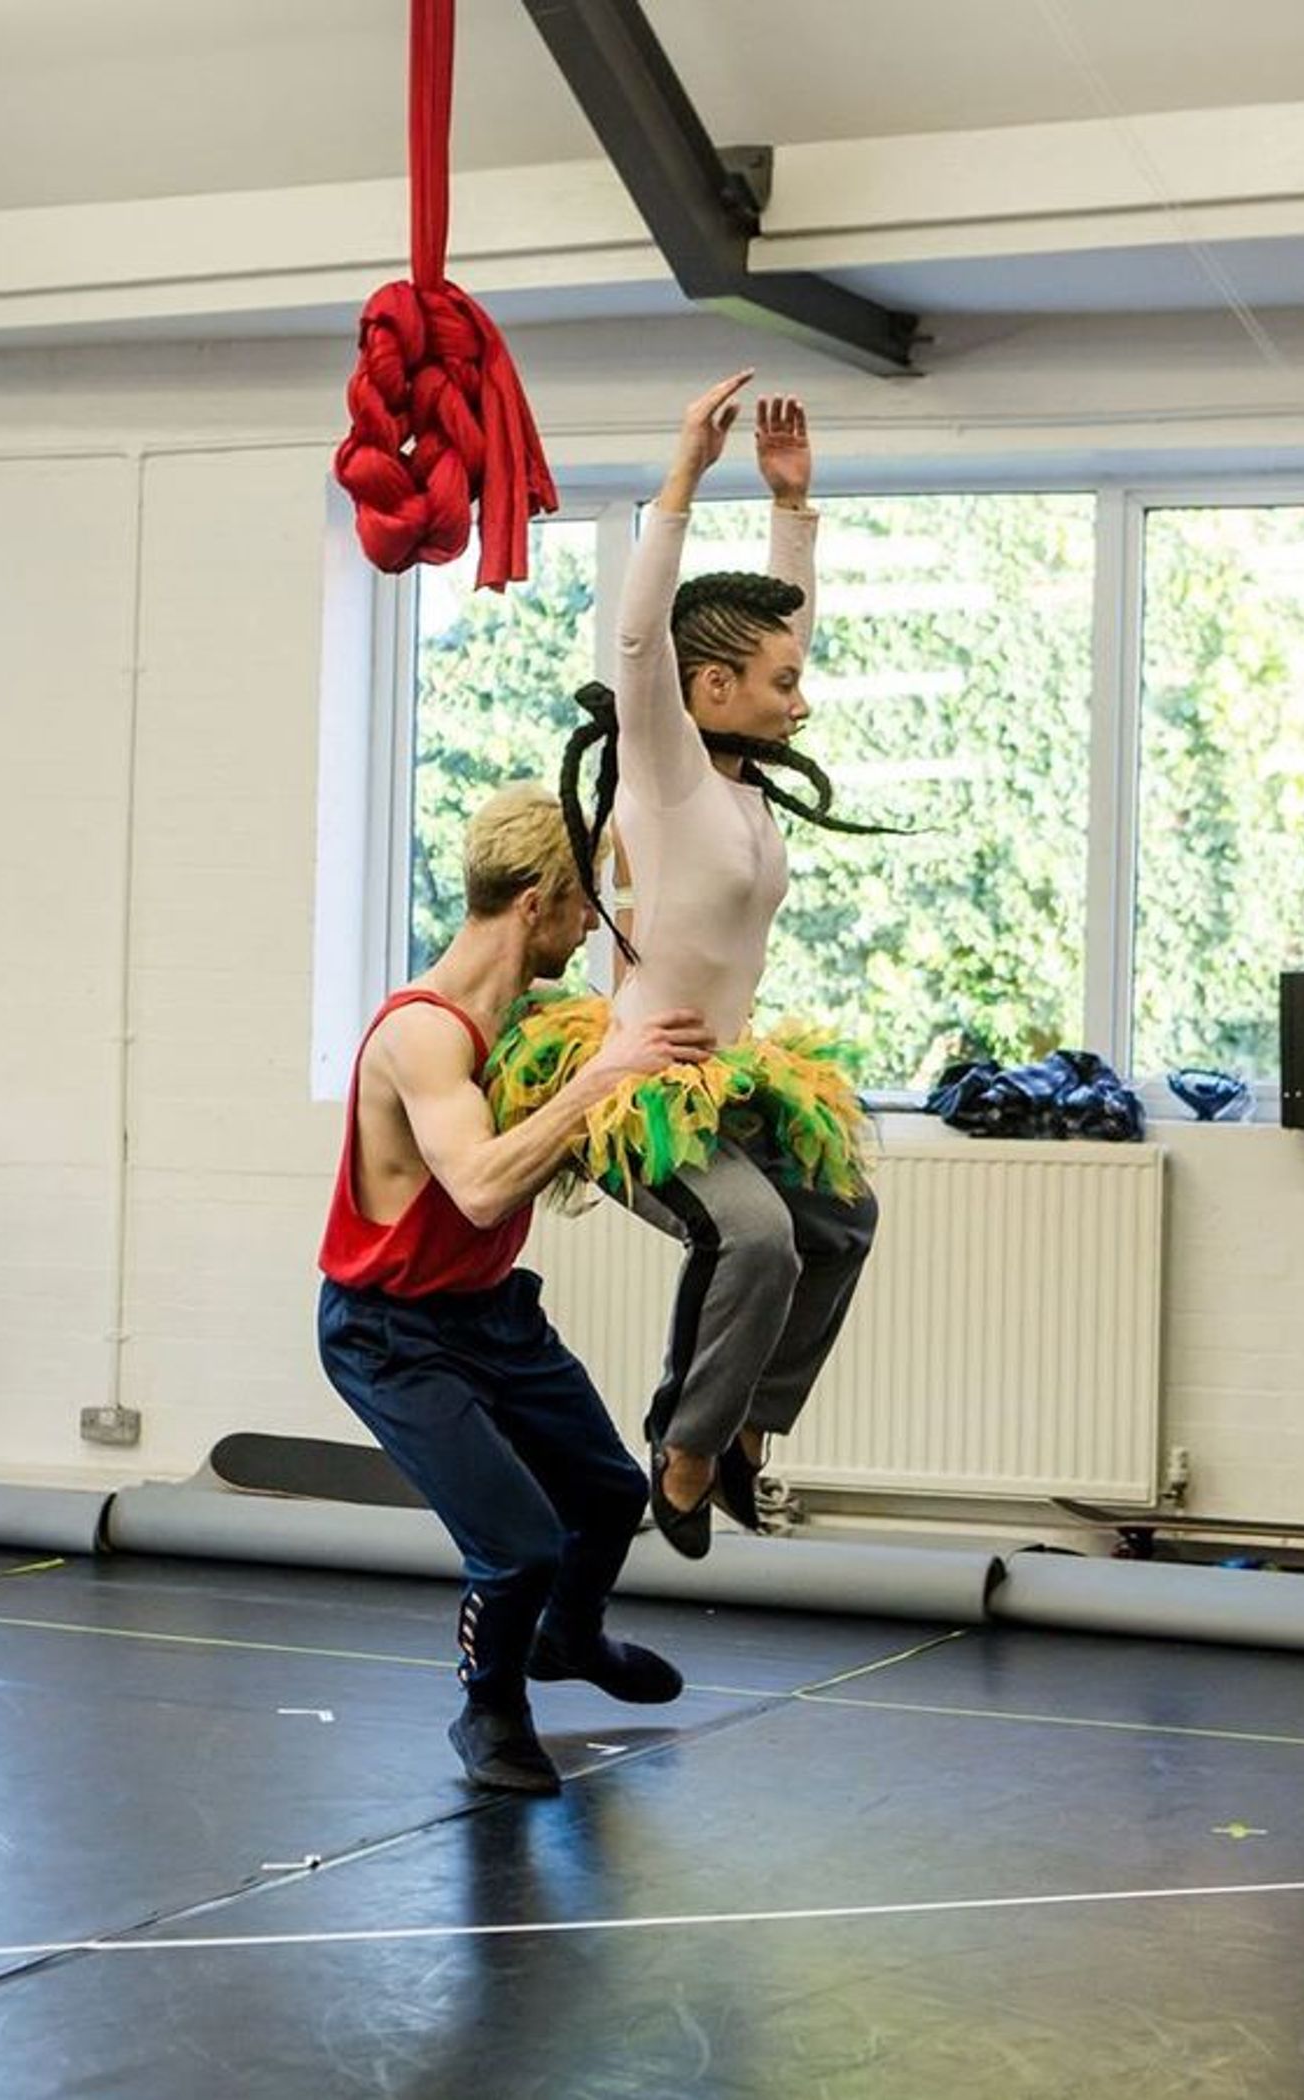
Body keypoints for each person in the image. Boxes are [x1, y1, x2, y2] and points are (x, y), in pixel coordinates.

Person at [486, 374, 882, 1559]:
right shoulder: (659, 774)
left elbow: (773, 628)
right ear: (708, 691)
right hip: (633, 1084)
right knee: (753, 1235)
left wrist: (791, 507)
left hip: (726, 1072)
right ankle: (685, 1446)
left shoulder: (739, 781)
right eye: (779, 683)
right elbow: (639, 636)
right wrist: (683, 477)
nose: (798, 697)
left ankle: (751, 1428)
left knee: (842, 1219)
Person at [316, 783, 713, 1796]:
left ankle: (566, 1640)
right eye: (584, 906)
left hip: (493, 1315)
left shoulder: (535, 1024)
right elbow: (485, 1188)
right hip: (391, 1334)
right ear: (535, 901)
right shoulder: (424, 1033)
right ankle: (489, 1710)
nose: (590, 927)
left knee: (610, 1492)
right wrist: (596, 1082)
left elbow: (601, 1116)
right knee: (519, 1544)